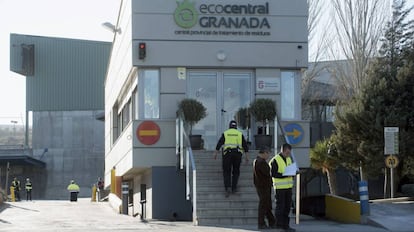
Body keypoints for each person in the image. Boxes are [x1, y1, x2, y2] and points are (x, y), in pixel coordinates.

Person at [213, 120, 249, 197]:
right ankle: (234, 188)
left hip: (227, 154)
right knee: (236, 171)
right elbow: (245, 146)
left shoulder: (226, 133)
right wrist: (247, 156)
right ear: (236, 127)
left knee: (226, 171)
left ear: (229, 126)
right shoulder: (239, 134)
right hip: (237, 154)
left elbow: (219, 143)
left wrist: (215, 153)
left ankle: (227, 188)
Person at [269, 143, 296, 231]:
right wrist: (285, 175)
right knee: (280, 207)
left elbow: (290, 170)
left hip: (288, 187)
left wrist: (293, 173)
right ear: (283, 151)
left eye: (289, 152)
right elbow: (273, 174)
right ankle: (279, 225)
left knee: (287, 207)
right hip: (280, 188)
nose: (288, 154)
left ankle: (286, 225)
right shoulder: (275, 160)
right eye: (287, 152)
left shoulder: (289, 159)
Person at [253, 146, 276, 229]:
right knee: (264, 205)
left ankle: (271, 221)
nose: (268, 156)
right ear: (264, 153)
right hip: (263, 186)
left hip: (262, 186)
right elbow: (267, 173)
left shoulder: (258, 161)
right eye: (267, 153)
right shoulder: (260, 162)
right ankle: (262, 223)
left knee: (267, 205)